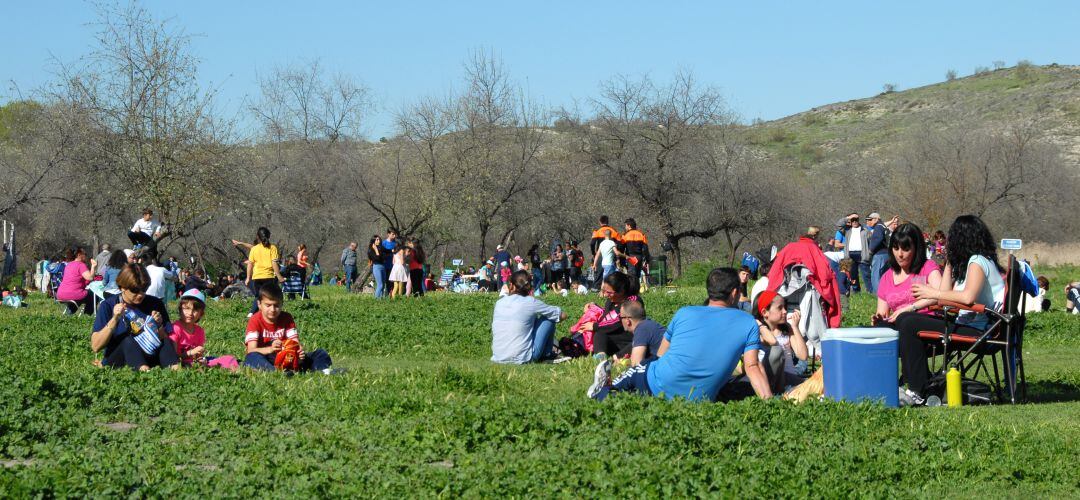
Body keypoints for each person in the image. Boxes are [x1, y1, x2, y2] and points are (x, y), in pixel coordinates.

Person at [588, 267, 773, 402]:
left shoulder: (685, 312)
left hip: (655, 382)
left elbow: (661, 354)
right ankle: (610, 386)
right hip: (697, 398)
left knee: (643, 367)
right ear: (734, 293)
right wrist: (770, 403)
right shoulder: (747, 322)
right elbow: (753, 366)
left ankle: (604, 390)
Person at [896, 215, 1005, 405]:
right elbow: (945, 296)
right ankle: (920, 384)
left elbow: (968, 297)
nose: (949, 242)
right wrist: (949, 264)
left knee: (908, 322)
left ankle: (917, 389)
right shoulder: (974, 262)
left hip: (981, 331)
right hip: (971, 325)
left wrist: (930, 291)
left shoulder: (978, 262)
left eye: (952, 238)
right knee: (906, 320)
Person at [90, 263, 179, 371]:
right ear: (122, 287)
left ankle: (177, 371)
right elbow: (95, 346)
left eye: (144, 289)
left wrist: (159, 326)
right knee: (128, 341)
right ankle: (144, 372)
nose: (141, 294)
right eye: (135, 290)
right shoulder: (108, 305)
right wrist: (115, 319)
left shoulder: (155, 303)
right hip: (119, 358)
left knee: (165, 342)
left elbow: (165, 338)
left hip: (149, 354)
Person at [244, 286, 333, 372]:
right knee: (252, 357)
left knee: (320, 354)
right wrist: (271, 349)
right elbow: (251, 349)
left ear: (282, 303)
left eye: (276, 305)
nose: (273, 309)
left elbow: (295, 343)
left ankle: (322, 371)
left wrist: (299, 353)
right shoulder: (255, 320)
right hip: (267, 358)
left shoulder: (287, 318)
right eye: (268, 305)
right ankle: (274, 372)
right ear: (259, 304)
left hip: (289, 358)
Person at [766, 227, 843, 328]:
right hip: (810, 293)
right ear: (814, 238)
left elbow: (775, 272)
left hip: (786, 295)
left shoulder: (789, 247)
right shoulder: (814, 249)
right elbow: (825, 275)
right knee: (810, 330)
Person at [491, 270, 568, 364]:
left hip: (498, 356)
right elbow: (562, 315)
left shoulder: (499, 303)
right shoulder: (530, 302)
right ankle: (547, 355)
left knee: (530, 320)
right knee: (548, 319)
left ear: (511, 286)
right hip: (524, 358)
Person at [872, 223, 943, 325]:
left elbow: (943, 295)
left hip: (926, 323)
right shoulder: (886, 277)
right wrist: (878, 319)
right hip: (899, 326)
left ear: (916, 249)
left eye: (905, 249)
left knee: (907, 320)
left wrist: (910, 308)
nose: (900, 254)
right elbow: (882, 313)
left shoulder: (927, 267)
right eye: (896, 248)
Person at [753, 290, 809, 394]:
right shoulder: (758, 331)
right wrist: (760, 325)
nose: (785, 311)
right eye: (780, 308)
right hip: (769, 380)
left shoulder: (786, 328)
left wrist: (794, 327)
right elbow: (772, 341)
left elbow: (803, 355)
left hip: (789, 378)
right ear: (765, 312)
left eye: (784, 307)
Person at [586, 271, 642, 357]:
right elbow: (607, 316)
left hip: (630, 341)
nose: (605, 295)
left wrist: (594, 326)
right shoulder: (611, 301)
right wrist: (593, 307)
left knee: (599, 330)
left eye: (609, 292)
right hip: (615, 340)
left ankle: (618, 357)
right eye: (604, 291)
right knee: (600, 334)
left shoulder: (633, 301)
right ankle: (601, 355)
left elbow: (616, 320)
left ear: (621, 291)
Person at [245, 227, 284, 317]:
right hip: (269, 277)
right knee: (271, 296)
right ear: (269, 236)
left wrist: (248, 277)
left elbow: (250, 264)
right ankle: (270, 313)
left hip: (257, 277)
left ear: (257, 237)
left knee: (259, 296)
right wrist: (279, 276)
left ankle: (252, 313)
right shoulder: (273, 248)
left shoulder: (254, 249)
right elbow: (274, 263)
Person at [620, 300, 664, 366]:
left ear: (627, 320)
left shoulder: (641, 329)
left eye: (620, 317)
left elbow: (636, 364)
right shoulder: (648, 325)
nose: (620, 320)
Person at [170, 289, 207, 366]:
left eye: (195, 310)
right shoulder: (175, 328)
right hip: (179, 364)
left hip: (193, 363)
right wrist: (191, 352)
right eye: (186, 308)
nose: (190, 313)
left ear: (201, 313)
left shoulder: (200, 331)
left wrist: (200, 360)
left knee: (227, 359)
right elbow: (172, 356)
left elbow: (198, 355)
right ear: (180, 310)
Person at [56, 248, 96, 315]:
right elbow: (90, 278)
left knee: (79, 297)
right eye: (85, 254)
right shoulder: (81, 265)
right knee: (92, 294)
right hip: (73, 294)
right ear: (79, 255)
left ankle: (68, 315)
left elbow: (75, 280)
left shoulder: (68, 265)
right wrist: (93, 266)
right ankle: (87, 315)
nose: (86, 256)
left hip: (60, 294)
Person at [866, 212, 897, 294]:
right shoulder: (882, 226)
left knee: (875, 275)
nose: (868, 222)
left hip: (879, 254)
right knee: (884, 276)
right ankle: (886, 293)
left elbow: (878, 238)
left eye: (870, 220)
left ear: (876, 219)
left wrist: (871, 249)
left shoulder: (878, 227)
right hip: (886, 254)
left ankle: (878, 295)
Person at [843, 213, 868, 293]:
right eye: (852, 221)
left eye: (856, 220)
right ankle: (856, 291)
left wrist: (869, 252)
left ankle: (870, 291)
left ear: (858, 221)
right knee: (853, 275)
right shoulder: (847, 230)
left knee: (866, 274)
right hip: (850, 255)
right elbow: (839, 224)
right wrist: (848, 218)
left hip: (861, 254)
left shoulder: (864, 230)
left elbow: (871, 240)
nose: (854, 222)